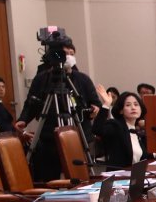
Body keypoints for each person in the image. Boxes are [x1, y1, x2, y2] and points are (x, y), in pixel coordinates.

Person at [16, 40, 103, 181]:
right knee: (48, 177)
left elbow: (95, 102)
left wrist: (95, 109)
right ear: (55, 56)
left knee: (80, 176)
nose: (68, 56)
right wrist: (23, 120)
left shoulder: (82, 79)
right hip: (49, 135)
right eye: (65, 53)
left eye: (72, 53)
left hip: (79, 134)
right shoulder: (42, 79)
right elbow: (32, 104)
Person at [99, 91, 150, 168]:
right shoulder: (116, 125)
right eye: (128, 105)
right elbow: (97, 130)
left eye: (136, 105)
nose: (133, 108)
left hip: (134, 174)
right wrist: (106, 105)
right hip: (119, 176)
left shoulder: (134, 130)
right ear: (121, 110)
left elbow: (139, 155)